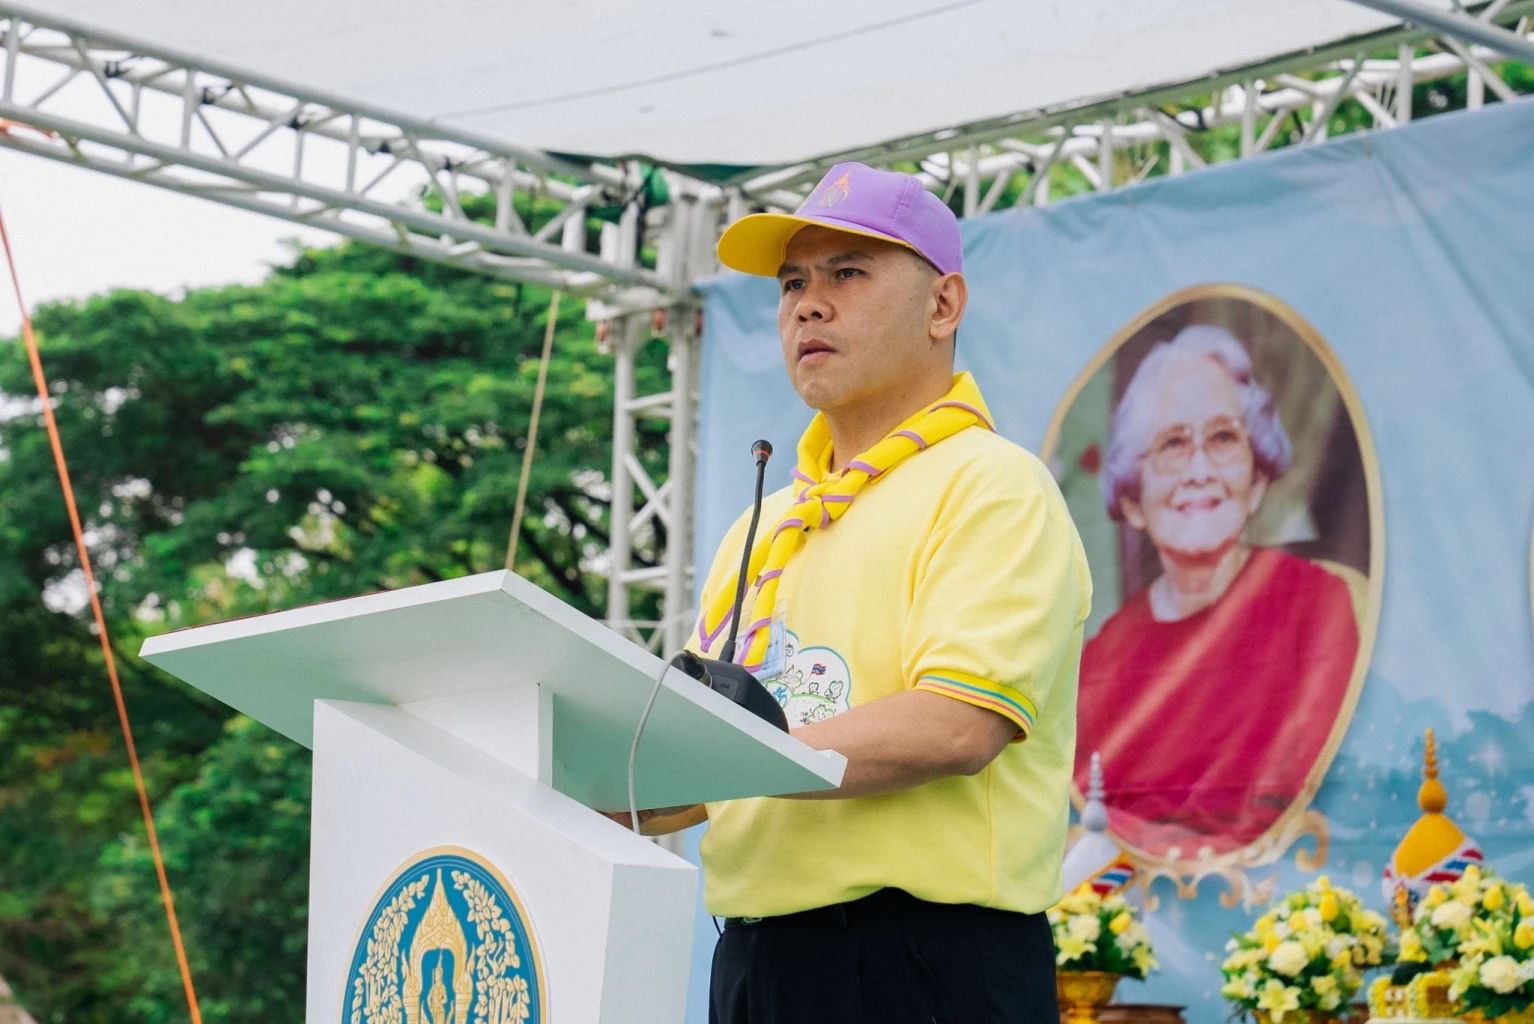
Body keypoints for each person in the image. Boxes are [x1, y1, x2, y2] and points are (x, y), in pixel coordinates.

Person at [627, 162, 1092, 1024]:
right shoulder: (758, 528)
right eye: (793, 282)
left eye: (848, 273)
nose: (807, 304)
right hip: (755, 960)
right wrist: (601, 783)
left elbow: (956, 721)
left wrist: (737, 754)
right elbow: (708, 762)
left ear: (943, 306)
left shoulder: (992, 485)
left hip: (922, 962)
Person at [1076, 325, 1361, 858]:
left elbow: (1320, 784)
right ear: (1134, 499)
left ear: (1256, 480)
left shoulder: (1317, 607)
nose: (1200, 471)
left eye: (1225, 438)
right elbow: (1092, 825)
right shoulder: (1100, 663)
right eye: (1173, 444)